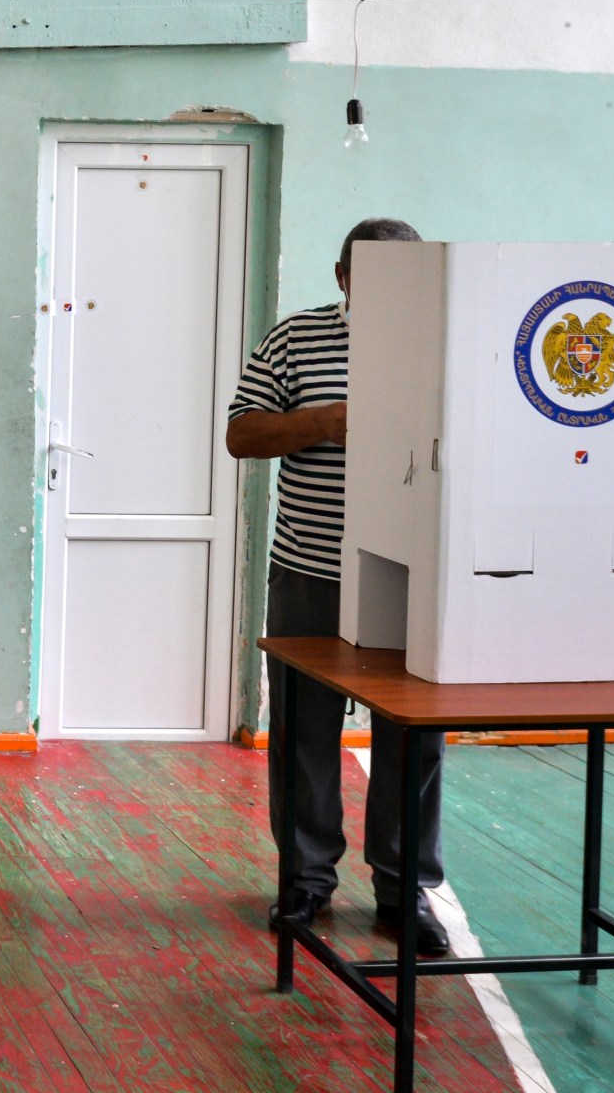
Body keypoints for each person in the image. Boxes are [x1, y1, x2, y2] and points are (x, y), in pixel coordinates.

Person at [225, 216, 450, 957]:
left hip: (414, 577)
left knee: (413, 740)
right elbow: (241, 435)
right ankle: (306, 883)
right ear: (342, 276)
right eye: (372, 277)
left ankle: (403, 890)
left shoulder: (446, 339)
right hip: (311, 571)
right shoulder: (296, 339)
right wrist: (322, 422)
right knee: (304, 732)